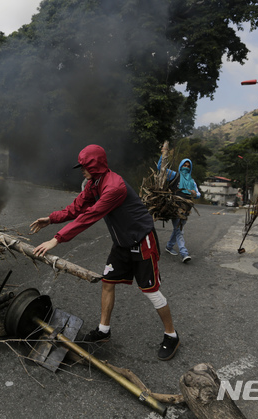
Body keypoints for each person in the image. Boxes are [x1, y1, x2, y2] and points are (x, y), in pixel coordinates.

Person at [30, 144, 180, 361]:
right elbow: (77, 207)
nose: (82, 170)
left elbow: (89, 216)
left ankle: (171, 335)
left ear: (96, 165)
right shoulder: (95, 183)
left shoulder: (114, 187)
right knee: (108, 283)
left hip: (141, 241)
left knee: (150, 291)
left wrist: (56, 239)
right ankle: (103, 331)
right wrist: (51, 218)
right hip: (121, 243)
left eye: (84, 166)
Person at [157, 143, 200, 263]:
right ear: (181, 166)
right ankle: (184, 252)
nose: (186, 167)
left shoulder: (192, 181)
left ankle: (169, 246)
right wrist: (163, 154)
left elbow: (198, 194)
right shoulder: (174, 175)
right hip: (174, 207)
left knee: (178, 229)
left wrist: (194, 194)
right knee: (179, 230)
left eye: (188, 165)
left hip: (186, 209)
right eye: (184, 165)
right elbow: (161, 167)